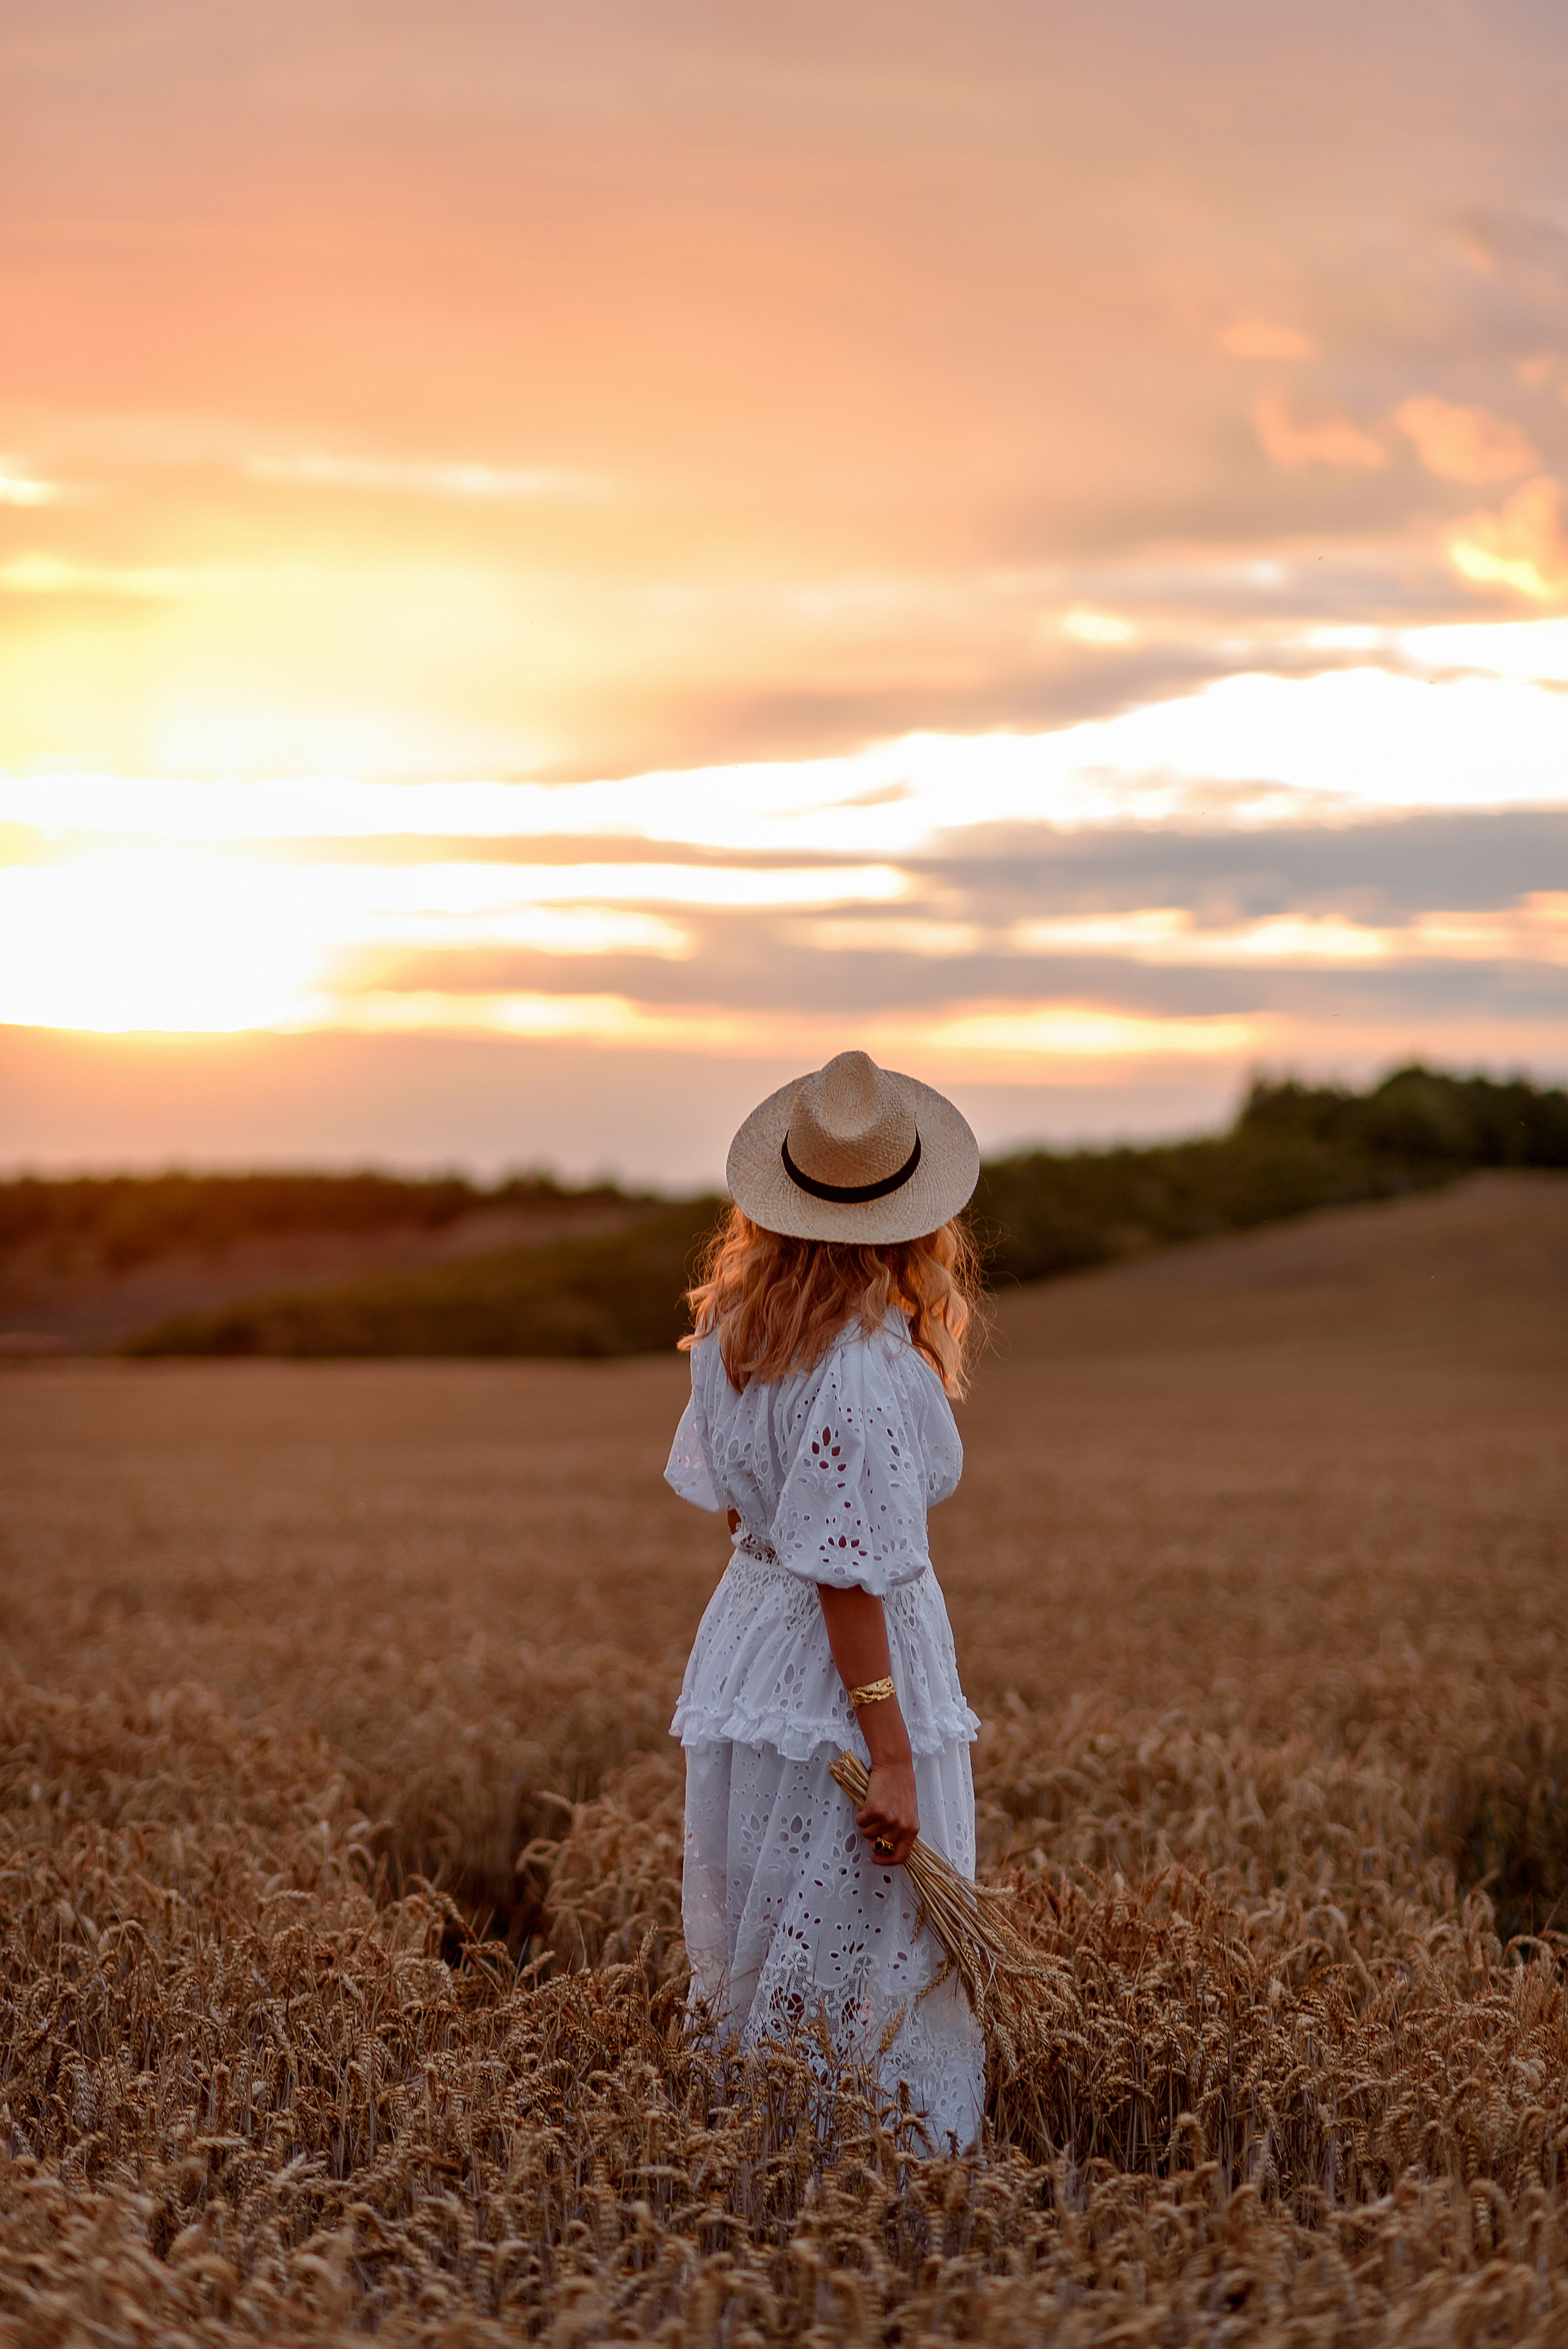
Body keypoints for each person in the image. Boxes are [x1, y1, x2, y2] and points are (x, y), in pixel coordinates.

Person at [663, 1047, 986, 2149]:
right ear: (911, 1217)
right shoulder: (856, 1361)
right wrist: (887, 1747)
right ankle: (882, 2192)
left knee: (779, 1936)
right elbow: (845, 1568)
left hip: (757, 1651)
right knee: (875, 1948)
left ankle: (765, 2178)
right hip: (841, 1671)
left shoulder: (737, 1332)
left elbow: (745, 1511)